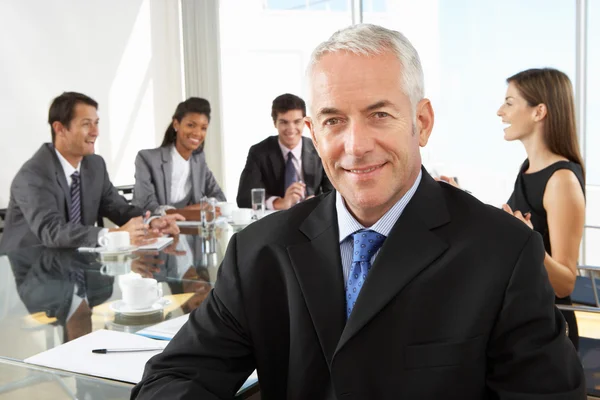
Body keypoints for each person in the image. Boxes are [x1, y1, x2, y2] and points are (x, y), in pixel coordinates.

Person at [133, 24, 584, 399]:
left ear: (421, 122)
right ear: (312, 131)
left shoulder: (502, 252)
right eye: (333, 120)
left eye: (379, 115)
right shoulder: (258, 251)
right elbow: (171, 380)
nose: (356, 145)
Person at [0, 92, 182, 253]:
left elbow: (118, 208)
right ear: (60, 129)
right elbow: (53, 232)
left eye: (96, 123)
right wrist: (114, 235)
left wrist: (151, 222)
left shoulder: (95, 165)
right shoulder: (33, 175)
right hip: (31, 272)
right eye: (87, 124)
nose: (95, 132)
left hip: (75, 266)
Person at [498, 68, 586, 349]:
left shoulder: (561, 181)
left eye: (510, 102)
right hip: (524, 322)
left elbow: (565, 284)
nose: (501, 111)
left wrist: (528, 241)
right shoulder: (527, 170)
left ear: (539, 112)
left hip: (549, 332)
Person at [236, 93, 333, 210]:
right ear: (274, 123)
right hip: (276, 220)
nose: (291, 129)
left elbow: (335, 192)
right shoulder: (259, 152)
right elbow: (244, 198)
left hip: (312, 217)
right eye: (284, 122)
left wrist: (316, 202)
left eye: (297, 122)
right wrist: (279, 203)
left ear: (305, 122)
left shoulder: (319, 148)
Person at [133, 97, 226, 215]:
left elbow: (220, 197)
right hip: (158, 230)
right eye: (191, 125)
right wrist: (196, 209)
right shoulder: (147, 159)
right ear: (176, 124)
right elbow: (147, 206)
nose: (197, 133)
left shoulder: (199, 160)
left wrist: (184, 211)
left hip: (191, 229)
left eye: (203, 128)